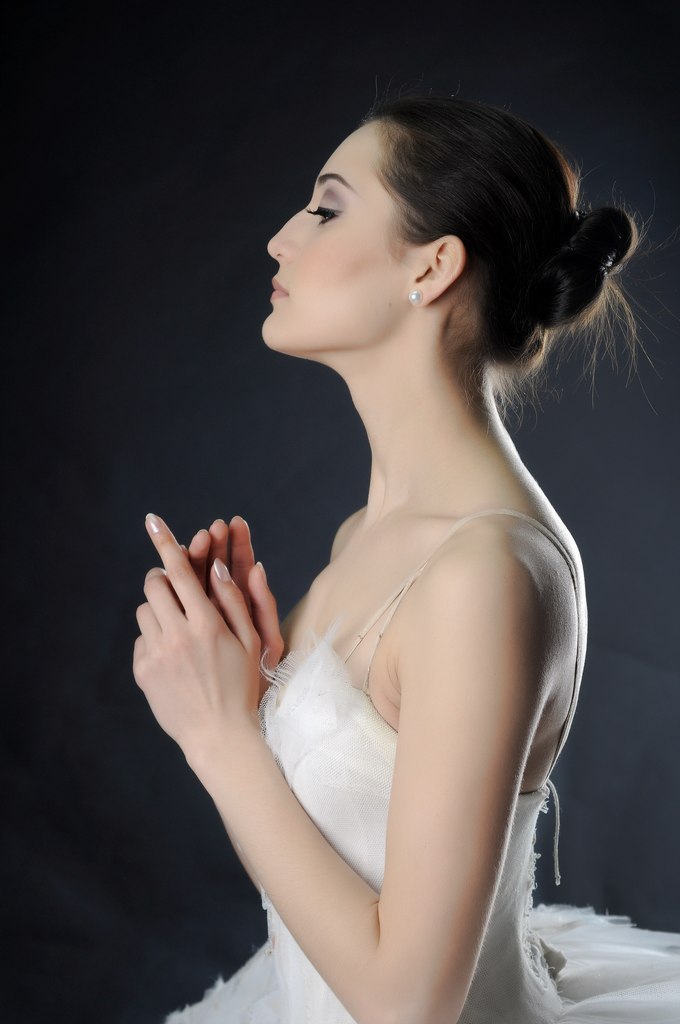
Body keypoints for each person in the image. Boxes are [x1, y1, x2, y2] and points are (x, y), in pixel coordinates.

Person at [133, 94, 680, 1023]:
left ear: (432, 266)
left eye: (325, 208)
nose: (279, 238)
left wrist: (218, 736)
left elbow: (409, 1005)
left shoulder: (485, 574)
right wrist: (248, 689)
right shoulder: (364, 537)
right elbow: (323, 867)